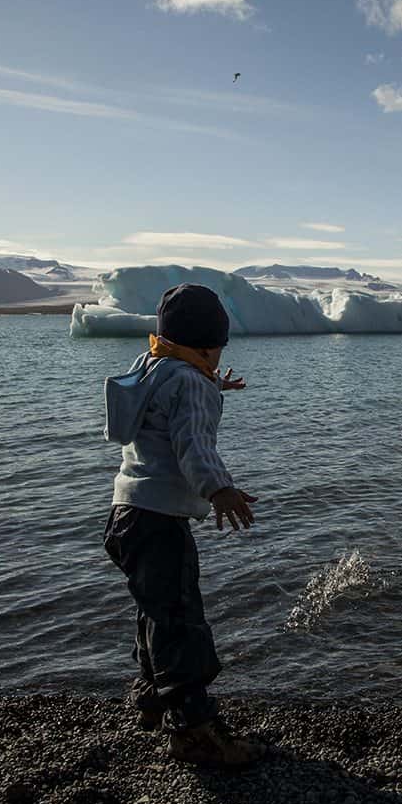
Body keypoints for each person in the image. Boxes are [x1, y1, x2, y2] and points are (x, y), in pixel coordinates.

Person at [102, 283, 264, 766]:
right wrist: (220, 488)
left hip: (126, 514)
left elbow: (162, 408)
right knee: (181, 620)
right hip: (159, 519)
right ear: (206, 344)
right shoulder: (191, 381)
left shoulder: (152, 365)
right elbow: (194, 445)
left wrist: (212, 384)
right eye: (216, 352)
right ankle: (194, 730)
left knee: (156, 610)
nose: (217, 360)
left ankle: (153, 697)